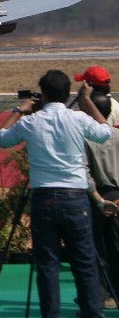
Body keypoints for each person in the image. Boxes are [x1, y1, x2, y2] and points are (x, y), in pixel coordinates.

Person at [0, 70, 112, 318]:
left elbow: (1, 139)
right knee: (85, 262)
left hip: (44, 198)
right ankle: (92, 312)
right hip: (75, 198)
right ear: (66, 92)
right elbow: (104, 133)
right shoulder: (78, 119)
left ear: (44, 95)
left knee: (48, 265)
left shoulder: (29, 122)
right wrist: (87, 102)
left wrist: (20, 110)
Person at [82, 89, 119, 310]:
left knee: (97, 251)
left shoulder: (86, 139)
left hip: (96, 196)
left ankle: (100, 296)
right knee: (116, 248)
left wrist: (96, 199)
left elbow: (84, 172)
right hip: (117, 195)